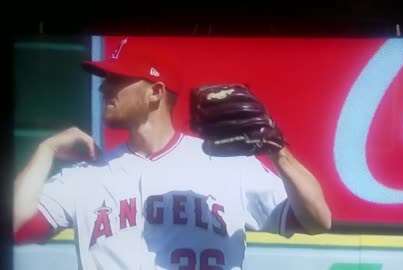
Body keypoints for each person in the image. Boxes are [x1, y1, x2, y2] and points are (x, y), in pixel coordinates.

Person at [13, 37, 331, 270]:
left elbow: (318, 221)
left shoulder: (226, 164)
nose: (104, 89)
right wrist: (46, 150)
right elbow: (15, 227)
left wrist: (279, 153)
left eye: (118, 80)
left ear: (156, 92)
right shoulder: (88, 175)